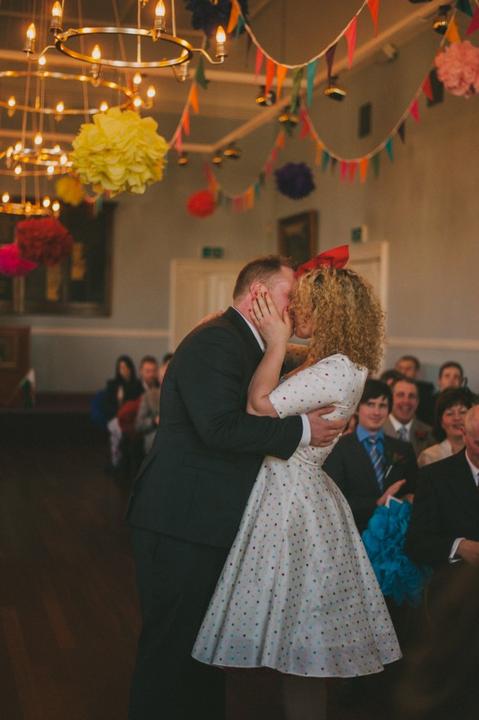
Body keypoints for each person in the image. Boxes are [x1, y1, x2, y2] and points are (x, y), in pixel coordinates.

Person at [126, 255, 347, 720]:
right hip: (180, 520)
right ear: (258, 296)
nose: (298, 306)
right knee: (170, 651)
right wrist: (303, 430)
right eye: (290, 295)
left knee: (202, 652)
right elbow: (219, 429)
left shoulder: (250, 343)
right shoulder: (218, 341)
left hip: (208, 520)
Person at [193, 258, 401, 719]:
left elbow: (257, 407)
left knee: (302, 651)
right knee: (293, 650)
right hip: (289, 492)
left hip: (289, 502)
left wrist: (276, 342)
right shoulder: (334, 362)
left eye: (302, 304)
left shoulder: (337, 369)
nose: (292, 311)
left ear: (327, 311)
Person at [324, 379, 417, 532]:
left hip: (396, 532)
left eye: (382, 406)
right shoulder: (338, 448)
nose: (376, 412)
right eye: (370, 404)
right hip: (354, 531)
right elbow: (333, 500)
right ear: (357, 407)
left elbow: (414, 491)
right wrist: (378, 502)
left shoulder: (403, 449)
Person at [406, 405, 479, 570]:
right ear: (464, 434)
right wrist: (458, 547)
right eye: (478, 443)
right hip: (458, 580)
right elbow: (416, 543)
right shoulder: (434, 477)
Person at [103, 355, 143, 469]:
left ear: (130, 368)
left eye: (125, 367)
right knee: (117, 432)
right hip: (116, 416)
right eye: (121, 367)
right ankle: (116, 462)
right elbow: (107, 406)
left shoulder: (137, 384)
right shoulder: (113, 384)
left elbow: (137, 404)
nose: (123, 370)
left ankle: (126, 462)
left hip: (132, 418)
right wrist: (119, 402)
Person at [417, 387, 474, 467]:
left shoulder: (476, 452)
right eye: (450, 413)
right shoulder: (430, 456)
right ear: (441, 422)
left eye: (462, 412)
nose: (457, 418)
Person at [384, 377, 435, 457]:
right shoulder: (377, 429)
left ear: (417, 402)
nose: (406, 401)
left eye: (411, 396)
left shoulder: (429, 433)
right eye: (400, 395)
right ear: (390, 399)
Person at [135, 354, 173, 455]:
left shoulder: (182, 396)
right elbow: (138, 425)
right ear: (159, 378)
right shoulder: (148, 396)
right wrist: (154, 420)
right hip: (156, 439)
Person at [394, 355, 435, 426]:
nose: (403, 372)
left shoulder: (426, 393)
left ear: (416, 372)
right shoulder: (388, 387)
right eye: (400, 368)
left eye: (408, 369)